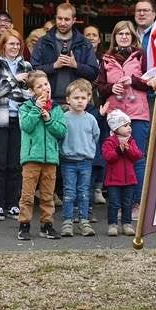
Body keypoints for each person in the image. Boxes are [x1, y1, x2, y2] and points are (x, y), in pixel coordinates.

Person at [97, 21, 151, 220]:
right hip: (115, 116)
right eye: (120, 33)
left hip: (137, 114)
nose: (124, 37)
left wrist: (133, 81)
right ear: (114, 36)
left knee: (136, 157)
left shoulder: (142, 56)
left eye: (127, 34)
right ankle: (117, 205)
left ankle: (136, 203)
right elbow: (99, 86)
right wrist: (111, 88)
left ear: (133, 36)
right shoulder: (106, 58)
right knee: (114, 157)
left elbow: (152, 82)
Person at [0, 30, 32, 221]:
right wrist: (14, 81)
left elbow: (29, 94)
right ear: (3, 45)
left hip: (18, 120)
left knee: (14, 163)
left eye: (18, 44)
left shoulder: (26, 65)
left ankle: (12, 203)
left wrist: (10, 88)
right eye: (11, 44)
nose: (15, 47)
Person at [16, 70, 66, 241]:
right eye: (39, 86)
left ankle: (47, 225)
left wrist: (49, 119)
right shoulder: (25, 107)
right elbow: (27, 126)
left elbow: (61, 131)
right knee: (28, 194)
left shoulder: (57, 108)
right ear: (32, 91)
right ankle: (24, 224)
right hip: (31, 157)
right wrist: (37, 109)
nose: (45, 88)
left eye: (46, 84)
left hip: (50, 157)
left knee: (47, 194)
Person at [30, 2, 99, 104]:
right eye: (59, 18)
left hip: (76, 103)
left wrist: (76, 65)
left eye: (66, 19)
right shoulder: (43, 42)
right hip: (48, 101)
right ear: (55, 18)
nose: (62, 23)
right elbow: (33, 70)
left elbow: (93, 73)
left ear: (74, 20)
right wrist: (54, 66)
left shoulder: (84, 43)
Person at [59, 79, 99, 237]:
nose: (80, 101)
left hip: (85, 162)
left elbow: (95, 136)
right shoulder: (64, 117)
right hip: (68, 161)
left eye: (83, 98)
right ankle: (67, 221)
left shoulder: (91, 119)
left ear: (88, 99)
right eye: (76, 98)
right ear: (68, 100)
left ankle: (84, 221)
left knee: (84, 192)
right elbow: (59, 136)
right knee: (69, 192)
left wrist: (87, 150)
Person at [101, 109, 142, 237]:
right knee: (114, 203)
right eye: (125, 125)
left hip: (129, 179)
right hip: (113, 180)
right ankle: (112, 224)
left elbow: (137, 156)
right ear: (116, 128)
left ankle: (127, 223)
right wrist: (118, 150)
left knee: (127, 203)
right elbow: (108, 157)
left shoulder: (131, 141)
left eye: (129, 125)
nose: (129, 128)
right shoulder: (110, 141)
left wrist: (129, 150)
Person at [82, 24, 108, 207]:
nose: (91, 38)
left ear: (99, 39)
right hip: (86, 105)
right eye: (87, 35)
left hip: (103, 104)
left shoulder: (105, 59)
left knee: (103, 145)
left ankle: (98, 187)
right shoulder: (80, 56)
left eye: (94, 35)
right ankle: (87, 190)